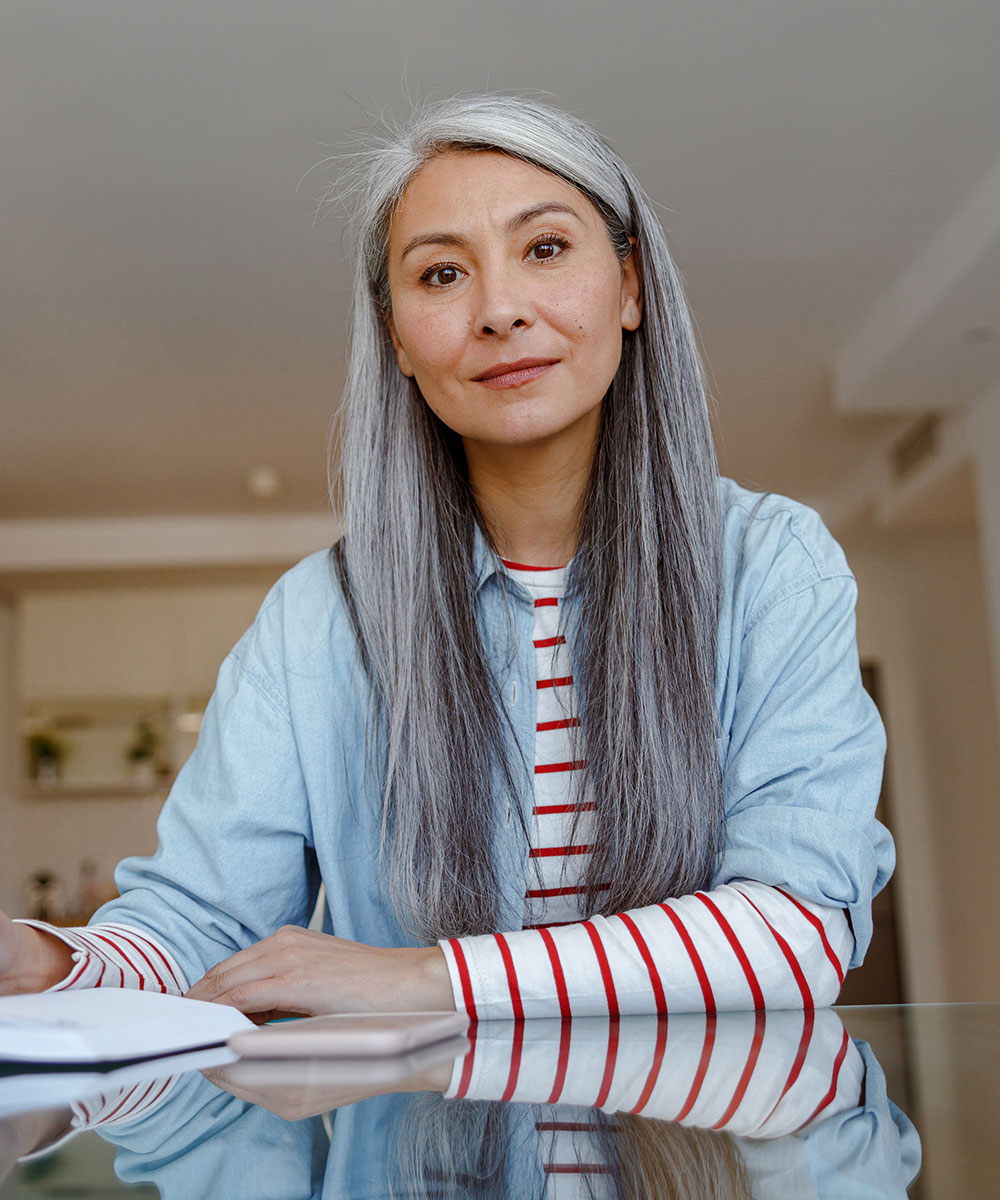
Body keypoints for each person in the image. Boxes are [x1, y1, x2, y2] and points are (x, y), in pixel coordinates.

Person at [0, 94, 893, 1024]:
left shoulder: (773, 566)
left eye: (545, 248)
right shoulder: (318, 619)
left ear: (630, 287)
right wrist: (43, 962)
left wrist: (432, 977)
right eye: (441, 275)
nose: (500, 311)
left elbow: (797, 928)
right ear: (396, 337)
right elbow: (200, 931)